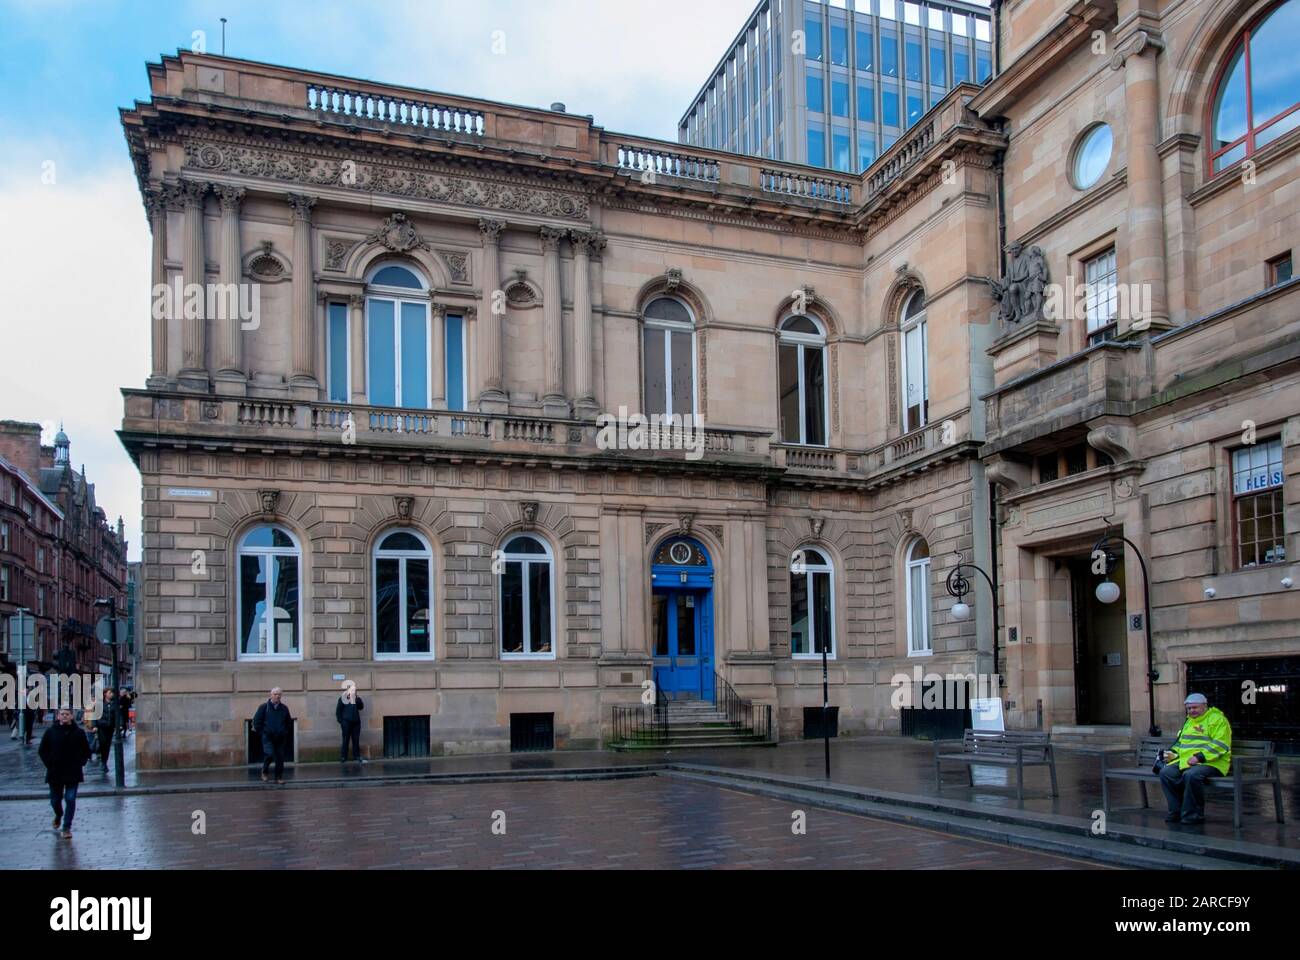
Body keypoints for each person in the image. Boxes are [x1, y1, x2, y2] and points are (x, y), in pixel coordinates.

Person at [1159, 692, 1232, 825]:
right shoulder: (1189, 722)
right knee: (1166, 773)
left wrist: (1200, 757)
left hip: (1214, 762)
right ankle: (1176, 811)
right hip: (1188, 761)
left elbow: (1221, 744)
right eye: (1189, 708)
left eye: (1195, 707)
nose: (1191, 711)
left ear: (1205, 706)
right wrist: (1172, 754)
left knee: (1191, 775)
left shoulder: (1217, 719)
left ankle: (1193, 815)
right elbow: (1181, 744)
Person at [38, 707, 91, 840]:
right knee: (55, 800)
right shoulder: (50, 732)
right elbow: (42, 750)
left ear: (72, 716)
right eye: (62, 714)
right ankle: (58, 814)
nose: (65, 716)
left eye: (67, 714)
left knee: (70, 799)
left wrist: (81, 762)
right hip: (55, 772)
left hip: (73, 771)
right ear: (58, 716)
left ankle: (66, 827)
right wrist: (49, 763)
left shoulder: (78, 732)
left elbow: (86, 750)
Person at [252, 688, 292, 784]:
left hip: (280, 737)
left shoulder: (284, 708)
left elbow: (288, 722)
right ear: (271, 695)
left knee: (280, 757)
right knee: (269, 754)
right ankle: (264, 772)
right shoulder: (264, 707)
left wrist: (284, 731)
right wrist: (262, 732)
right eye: (275, 694)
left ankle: (278, 777)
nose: (277, 696)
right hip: (267, 736)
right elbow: (257, 721)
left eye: (279, 694)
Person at [336, 684, 366, 764]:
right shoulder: (343, 699)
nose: (354, 691)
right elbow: (338, 710)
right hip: (346, 722)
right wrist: (341, 721)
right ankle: (343, 757)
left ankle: (356, 756)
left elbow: (361, 707)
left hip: (356, 723)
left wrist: (357, 699)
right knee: (345, 740)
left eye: (355, 690)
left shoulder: (357, 699)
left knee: (356, 740)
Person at [93, 688, 119, 772]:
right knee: (103, 744)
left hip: (110, 728)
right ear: (105, 694)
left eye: (112, 693)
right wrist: (95, 725)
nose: (112, 694)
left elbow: (118, 715)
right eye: (110, 693)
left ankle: (104, 762)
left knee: (107, 745)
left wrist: (119, 725)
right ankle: (102, 760)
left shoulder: (114, 704)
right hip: (101, 727)